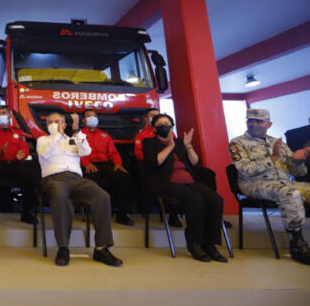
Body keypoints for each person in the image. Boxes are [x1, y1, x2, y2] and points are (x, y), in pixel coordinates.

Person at [229, 109, 310, 265]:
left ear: (269, 124)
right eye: (250, 120)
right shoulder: (237, 143)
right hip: (253, 184)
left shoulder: (279, 143)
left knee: (296, 190)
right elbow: (245, 170)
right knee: (290, 193)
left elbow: (298, 173)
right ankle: (297, 245)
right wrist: (272, 158)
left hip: (284, 182)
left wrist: (297, 160)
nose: (253, 124)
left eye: (259, 121)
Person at [37, 112, 123, 267]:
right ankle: (63, 248)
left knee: (101, 196)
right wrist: (57, 136)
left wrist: (78, 136)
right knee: (59, 195)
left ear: (64, 124)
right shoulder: (42, 140)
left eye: (57, 122)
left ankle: (101, 248)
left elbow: (86, 152)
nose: (53, 124)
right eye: (50, 122)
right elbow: (44, 153)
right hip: (54, 179)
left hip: (77, 179)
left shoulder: (73, 139)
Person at [142, 113, 227, 262]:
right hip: (165, 182)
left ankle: (210, 244)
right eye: (161, 124)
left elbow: (195, 163)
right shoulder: (149, 142)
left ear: (172, 126)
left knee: (215, 199)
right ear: (154, 128)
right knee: (195, 199)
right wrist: (169, 146)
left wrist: (188, 147)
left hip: (189, 181)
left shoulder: (180, 143)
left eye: (167, 123)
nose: (165, 127)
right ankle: (194, 243)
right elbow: (154, 163)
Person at [78, 110, 135, 226]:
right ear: (83, 121)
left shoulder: (105, 135)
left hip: (106, 164)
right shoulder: (79, 134)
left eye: (94, 116)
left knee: (124, 177)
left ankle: (122, 214)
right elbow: (77, 152)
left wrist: (118, 163)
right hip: (89, 165)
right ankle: (98, 214)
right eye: (89, 116)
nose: (92, 118)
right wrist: (86, 163)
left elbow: (113, 152)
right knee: (94, 181)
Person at [0, 105, 39, 225]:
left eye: (4, 113)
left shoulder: (17, 131)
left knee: (30, 175)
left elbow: (24, 149)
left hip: (15, 164)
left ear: (10, 115)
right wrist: (0, 152)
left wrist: (22, 155)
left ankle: (27, 214)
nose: (1, 115)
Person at [133, 108, 182, 228]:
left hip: (169, 166)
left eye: (156, 115)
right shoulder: (141, 135)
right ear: (147, 119)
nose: (154, 116)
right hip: (149, 166)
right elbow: (139, 154)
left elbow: (177, 152)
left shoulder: (172, 135)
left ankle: (174, 215)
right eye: (151, 115)